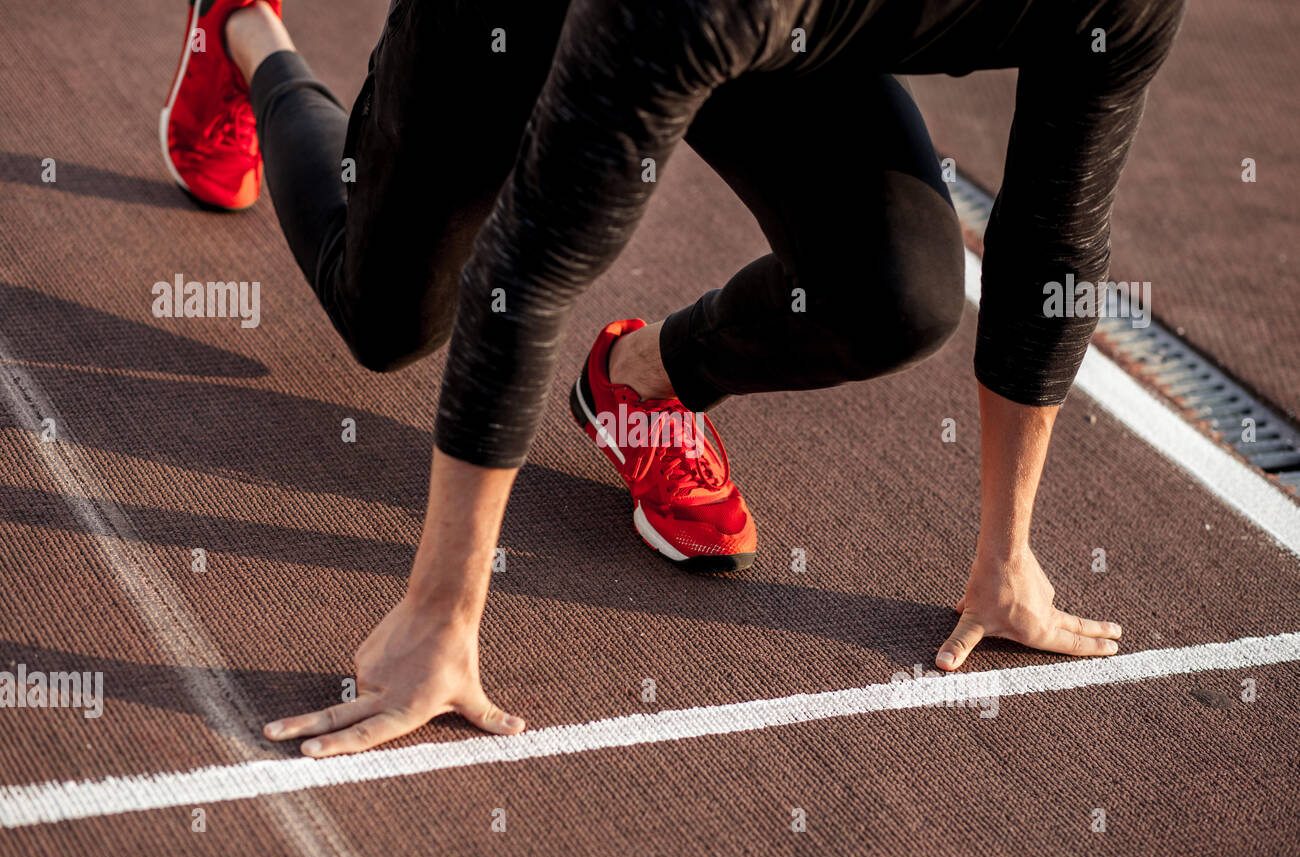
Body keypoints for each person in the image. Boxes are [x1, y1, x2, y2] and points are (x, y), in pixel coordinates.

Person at [160, 0, 1184, 756]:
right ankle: (245, 31)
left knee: (895, 295)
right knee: (385, 319)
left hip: (763, 32)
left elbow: (1053, 237)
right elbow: (524, 271)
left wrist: (1007, 558)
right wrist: (439, 614)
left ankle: (638, 382)